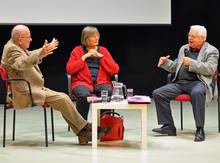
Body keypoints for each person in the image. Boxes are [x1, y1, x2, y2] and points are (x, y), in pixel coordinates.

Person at [1, 24, 111, 145]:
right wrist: (40, 54)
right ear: (20, 39)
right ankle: (86, 130)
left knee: (64, 98)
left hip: (33, 87)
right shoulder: (12, 49)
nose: (31, 39)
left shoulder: (15, 46)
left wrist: (41, 52)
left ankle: (84, 132)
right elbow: (21, 63)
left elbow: (27, 56)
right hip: (24, 91)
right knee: (63, 100)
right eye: (29, 37)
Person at [152, 25, 219, 142]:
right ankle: (169, 126)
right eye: (189, 35)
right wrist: (165, 63)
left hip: (198, 82)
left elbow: (211, 69)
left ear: (202, 38)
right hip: (180, 83)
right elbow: (176, 67)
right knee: (158, 93)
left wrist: (191, 63)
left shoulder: (211, 51)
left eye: (193, 36)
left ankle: (199, 129)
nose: (190, 38)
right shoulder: (184, 48)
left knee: (197, 93)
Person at [66, 26, 119, 120]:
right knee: (84, 95)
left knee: (108, 91)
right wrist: (84, 57)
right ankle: (82, 125)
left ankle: (104, 123)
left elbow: (115, 69)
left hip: (101, 82)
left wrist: (101, 56)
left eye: (97, 36)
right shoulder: (77, 50)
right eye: (93, 36)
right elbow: (70, 69)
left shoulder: (103, 50)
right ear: (86, 38)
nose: (97, 38)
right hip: (82, 82)